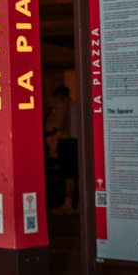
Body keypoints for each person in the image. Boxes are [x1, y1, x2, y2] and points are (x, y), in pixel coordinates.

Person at [47, 85, 79, 213]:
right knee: (76, 172)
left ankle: (68, 203)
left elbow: (58, 123)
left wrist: (54, 131)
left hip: (66, 141)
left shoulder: (64, 106)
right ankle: (78, 203)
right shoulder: (77, 105)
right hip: (77, 141)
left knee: (68, 173)